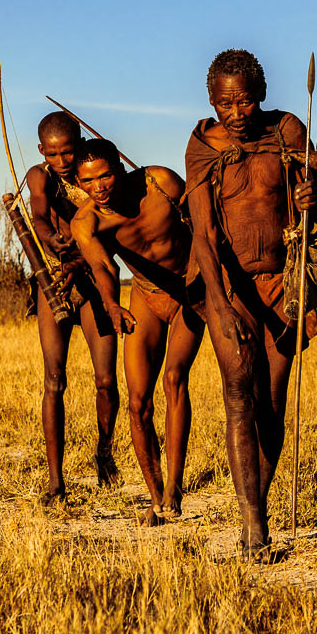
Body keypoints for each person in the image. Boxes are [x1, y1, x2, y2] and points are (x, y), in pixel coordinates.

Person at [184, 48, 317, 560]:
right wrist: (220, 305)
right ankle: (254, 527)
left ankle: (259, 504)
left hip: (282, 281)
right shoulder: (202, 146)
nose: (235, 113)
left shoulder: (288, 130)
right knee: (237, 395)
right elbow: (204, 233)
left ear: (262, 94)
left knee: (271, 403)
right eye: (224, 103)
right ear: (211, 100)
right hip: (228, 285)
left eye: (245, 101)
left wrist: (316, 192)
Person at [70, 138, 205, 523]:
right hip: (145, 296)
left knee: (174, 379)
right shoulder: (86, 223)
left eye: (105, 175)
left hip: (191, 292)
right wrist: (112, 305)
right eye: (88, 181)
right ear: (78, 183)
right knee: (138, 402)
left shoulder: (159, 183)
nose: (99, 187)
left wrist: (207, 280)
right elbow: (104, 267)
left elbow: (205, 224)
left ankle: (174, 489)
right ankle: (155, 496)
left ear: (120, 168)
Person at [24, 112, 121, 504]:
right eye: (53, 154)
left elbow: (115, 227)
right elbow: (38, 216)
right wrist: (52, 241)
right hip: (54, 281)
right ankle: (56, 481)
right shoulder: (40, 177)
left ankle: (104, 453)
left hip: (96, 281)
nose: (62, 161)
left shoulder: (94, 174)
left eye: (68, 152)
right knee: (54, 379)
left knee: (106, 380)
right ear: (41, 151)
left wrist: (82, 258)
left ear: (79, 143)